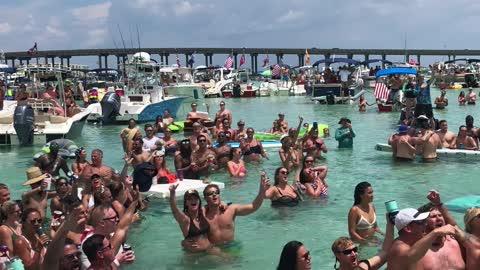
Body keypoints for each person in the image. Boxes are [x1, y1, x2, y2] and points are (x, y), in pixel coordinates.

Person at [203, 172, 270, 245]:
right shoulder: (202, 214)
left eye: (217, 192)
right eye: (210, 193)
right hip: (213, 249)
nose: (214, 195)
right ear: (205, 198)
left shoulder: (231, 209)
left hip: (231, 247)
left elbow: (253, 207)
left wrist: (262, 191)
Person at [387, 208, 457, 270]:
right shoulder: (399, 247)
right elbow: (411, 255)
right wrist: (435, 232)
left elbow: (454, 227)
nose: (425, 224)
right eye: (421, 222)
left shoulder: (414, 243)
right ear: (408, 228)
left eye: (424, 221)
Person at [416, 190, 466, 270]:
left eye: (440, 215)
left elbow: (454, 226)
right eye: (433, 216)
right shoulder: (418, 249)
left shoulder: (455, 241)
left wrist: (439, 203)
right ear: (423, 223)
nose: (439, 218)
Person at [169, 186, 219, 254]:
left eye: (195, 198)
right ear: (186, 203)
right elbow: (174, 210)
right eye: (190, 199)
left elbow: (213, 204)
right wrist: (172, 193)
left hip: (209, 250)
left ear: (199, 201)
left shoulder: (202, 212)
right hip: (195, 257)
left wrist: (223, 204)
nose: (193, 200)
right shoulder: (185, 219)